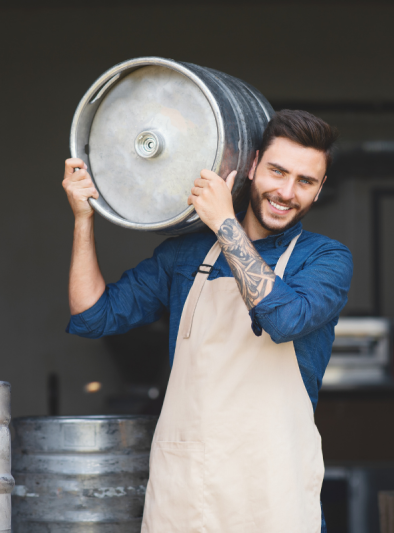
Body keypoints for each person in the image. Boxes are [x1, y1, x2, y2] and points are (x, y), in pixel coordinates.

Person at [63, 110, 353, 533]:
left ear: (320, 188)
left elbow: (284, 320)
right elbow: (93, 315)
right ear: (252, 167)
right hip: (188, 485)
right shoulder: (186, 254)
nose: (287, 191)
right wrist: (83, 217)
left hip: (274, 488)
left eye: (305, 181)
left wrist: (223, 222)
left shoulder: (326, 258)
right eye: (277, 171)